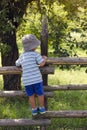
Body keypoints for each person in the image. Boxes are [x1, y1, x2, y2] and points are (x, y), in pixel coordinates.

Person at [15, 34, 47, 116]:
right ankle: (42, 108)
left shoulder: (22, 56)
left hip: (27, 81)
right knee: (40, 94)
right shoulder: (35, 54)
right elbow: (42, 64)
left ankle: (34, 110)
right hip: (36, 79)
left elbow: (17, 63)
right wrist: (44, 59)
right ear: (33, 46)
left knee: (31, 96)